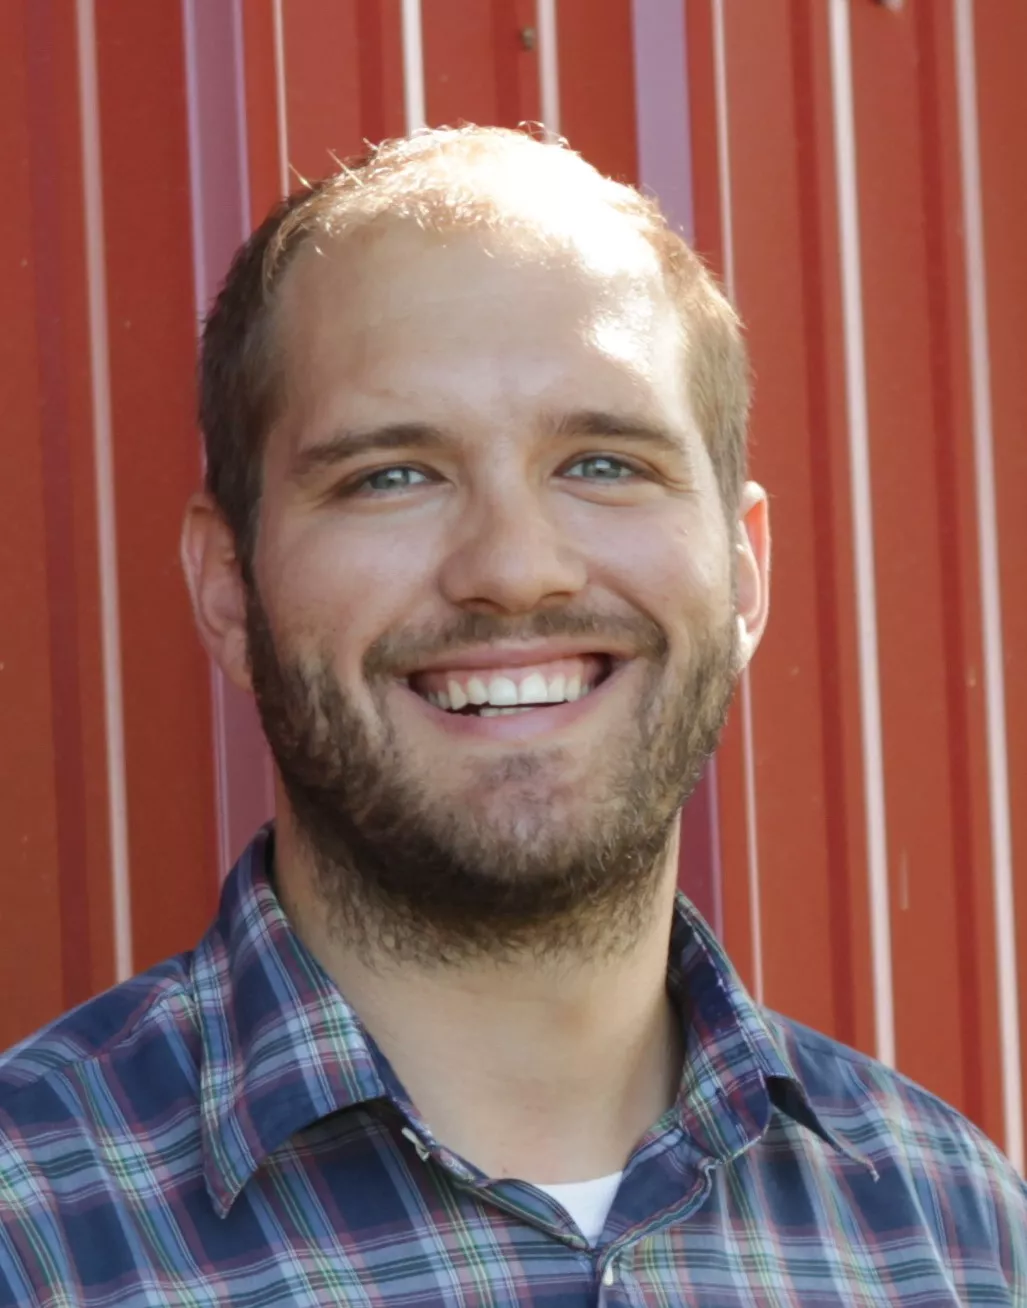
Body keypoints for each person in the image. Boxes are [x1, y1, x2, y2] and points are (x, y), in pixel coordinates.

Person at [0, 126, 1023, 1307]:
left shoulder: (956, 1235)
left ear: (742, 574)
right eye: (392, 474)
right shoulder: (36, 1228)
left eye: (603, 463)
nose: (516, 569)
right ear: (228, 587)